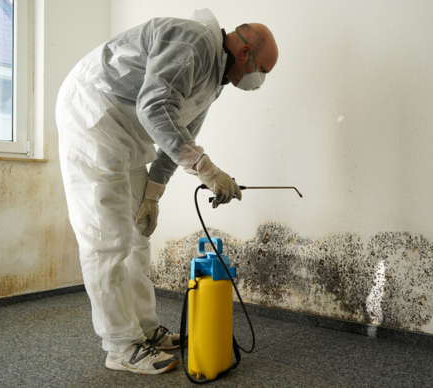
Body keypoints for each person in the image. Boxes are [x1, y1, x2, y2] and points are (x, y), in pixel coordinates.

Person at [55, 9, 278, 375]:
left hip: (125, 136)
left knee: (137, 237)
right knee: (107, 239)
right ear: (245, 54)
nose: (258, 80)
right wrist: (208, 171)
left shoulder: (214, 82)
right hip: (93, 119)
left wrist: (152, 196)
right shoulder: (192, 43)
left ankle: (145, 330)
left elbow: (179, 137)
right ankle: (120, 345)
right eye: (262, 71)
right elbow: (154, 107)